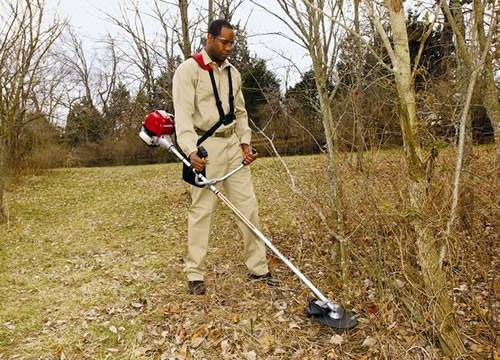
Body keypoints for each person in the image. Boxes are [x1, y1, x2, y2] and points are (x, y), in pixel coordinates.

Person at [172, 19, 272, 295]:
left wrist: (245, 143)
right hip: (205, 148)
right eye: (224, 42)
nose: (229, 48)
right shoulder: (188, 71)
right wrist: (191, 151)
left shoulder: (234, 74)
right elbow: (182, 118)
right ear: (209, 38)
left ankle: (259, 268)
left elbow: (240, 113)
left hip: (232, 149)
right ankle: (195, 274)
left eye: (232, 43)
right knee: (202, 211)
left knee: (247, 207)